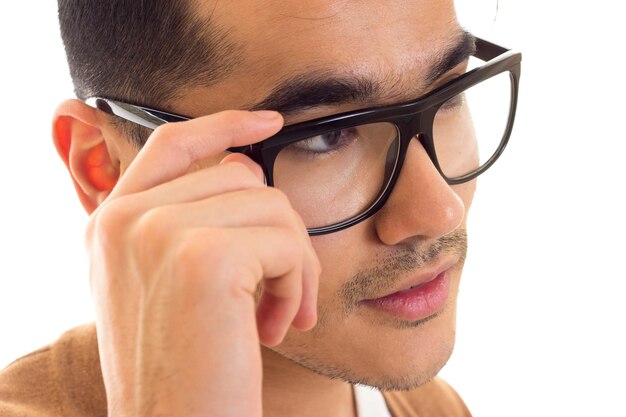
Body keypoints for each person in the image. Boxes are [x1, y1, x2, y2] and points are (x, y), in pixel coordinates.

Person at [0, 1, 521, 416]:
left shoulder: (431, 408)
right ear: (107, 167)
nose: (438, 212)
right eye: (325, 136)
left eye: (450, 93)